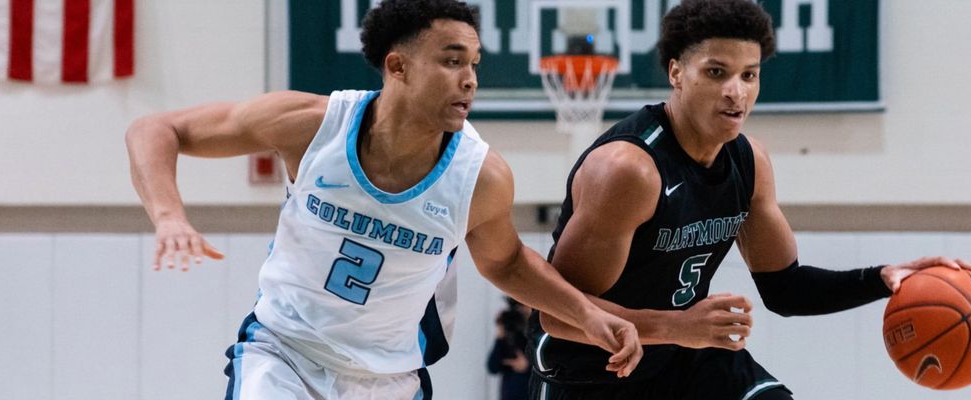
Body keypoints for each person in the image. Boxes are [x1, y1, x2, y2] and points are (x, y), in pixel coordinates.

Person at [124, 1, 642, 398]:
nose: (470, 79)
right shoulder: (312, 126)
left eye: (475, 63)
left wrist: (588, 314)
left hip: (389, 375)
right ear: (398, 66)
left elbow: (506, 261)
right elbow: (156, 128)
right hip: (284, 351)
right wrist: (169, 216)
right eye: (452, 60)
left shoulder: (479, 175)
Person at [525, 1, 971, 399]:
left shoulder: (749, 163)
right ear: (677, 72)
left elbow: (786, 290)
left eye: (749, 75)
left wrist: (883, 278)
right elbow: (558, 316)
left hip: (682, 356)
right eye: (717, 72)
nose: (736, 92)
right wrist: (677, 327)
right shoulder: (629, 170)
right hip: (587, 371)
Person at [486, 297, 532, 400]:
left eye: (523, 306)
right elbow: (492, 368)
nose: (521, 310)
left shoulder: (537, 335)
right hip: (509, 394)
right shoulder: (508, 337)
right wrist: (500, 334)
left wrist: (527, 367)